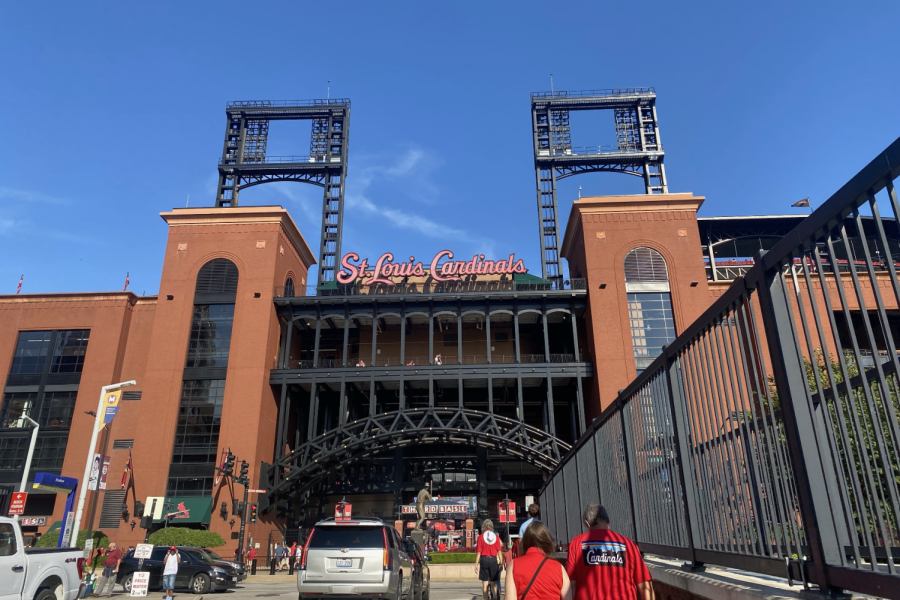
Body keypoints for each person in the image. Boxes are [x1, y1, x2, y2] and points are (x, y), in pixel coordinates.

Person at [566, 505, 653, 600]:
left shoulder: (577, 543)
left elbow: (572, 585)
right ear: (608, 521)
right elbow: (645, 586)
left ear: (587, 524)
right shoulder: (628, 544)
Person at [505, 521, 571, 600]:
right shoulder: (559, 568)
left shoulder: (514, 565)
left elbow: (510, 598)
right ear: (547, 541)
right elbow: (568, 597)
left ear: (525, 542)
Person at [475, 519, 504, 600]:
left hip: (484, 560)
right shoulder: (496, 537)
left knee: (484, 583)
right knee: (493, 583)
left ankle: (486, 598)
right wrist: (501, 563)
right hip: (493, 560)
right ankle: (494, 597)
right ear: (492, 527)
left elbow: (478, 552)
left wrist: (476, 564)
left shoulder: (480, 537)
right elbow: (499, 551)